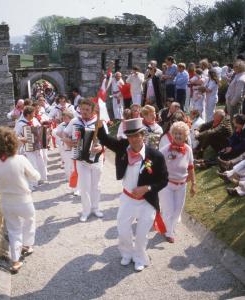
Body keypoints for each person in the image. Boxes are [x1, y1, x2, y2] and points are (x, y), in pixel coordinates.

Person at [97, 118, 168, 271]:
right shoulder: (122, 147)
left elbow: (163, 180)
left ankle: (140, 257)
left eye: (137, 135)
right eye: (130, 136)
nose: (134, 139)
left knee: (142, 234)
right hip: (127, 199)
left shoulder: (156, 156)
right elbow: (103, 138)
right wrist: (99, 122)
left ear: (143, 135)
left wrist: (147, 188)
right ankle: (127, 253)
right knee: (122, 231)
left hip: (146, 201)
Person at [0, 127, 40, 273]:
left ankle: (15, 260)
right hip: (23, 199)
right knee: (30, 220)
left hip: (6, 201)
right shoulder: (20, 159)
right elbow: (35, 176)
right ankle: (27, 244)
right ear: (14, 142)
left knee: (13, 230)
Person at [63, 98, 105, 222]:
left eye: (87, 110)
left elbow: (106, 140)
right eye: (82, 109)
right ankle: (86, 211)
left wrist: (101, 147)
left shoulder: (99, 122)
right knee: (85, 187)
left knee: (96, 186)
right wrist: (68, 141)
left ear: (93, 110)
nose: (84, 112)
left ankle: (95, 208)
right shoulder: (75, 121)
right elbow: (64, 134)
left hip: (97, 159)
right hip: (81, 160)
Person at [159, 121, 196, 243]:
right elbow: (156, 166)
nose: (178, 136)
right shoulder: (165, 150)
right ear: (172, 135)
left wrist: (193, 184)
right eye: (175, 133)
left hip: (182, 185)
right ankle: (169, 232)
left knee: (178, 210)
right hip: (167, 185)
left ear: (186, 136)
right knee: (168, 210)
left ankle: (170, 227)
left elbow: (191, 167)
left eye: (181, 133)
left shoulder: (188, 150)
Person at [14, 106, 47, 188]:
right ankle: (32, 184)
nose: (34, 115)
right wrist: (22, 139)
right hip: (27, 148)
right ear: (28, 115)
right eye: (33, 114)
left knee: (40, 163)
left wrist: (44, 135)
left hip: (37, 146)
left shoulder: (34, 120)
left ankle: (40, 179)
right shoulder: (20, 124)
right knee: (32, 164)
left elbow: (40, 129)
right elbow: (14, 136)